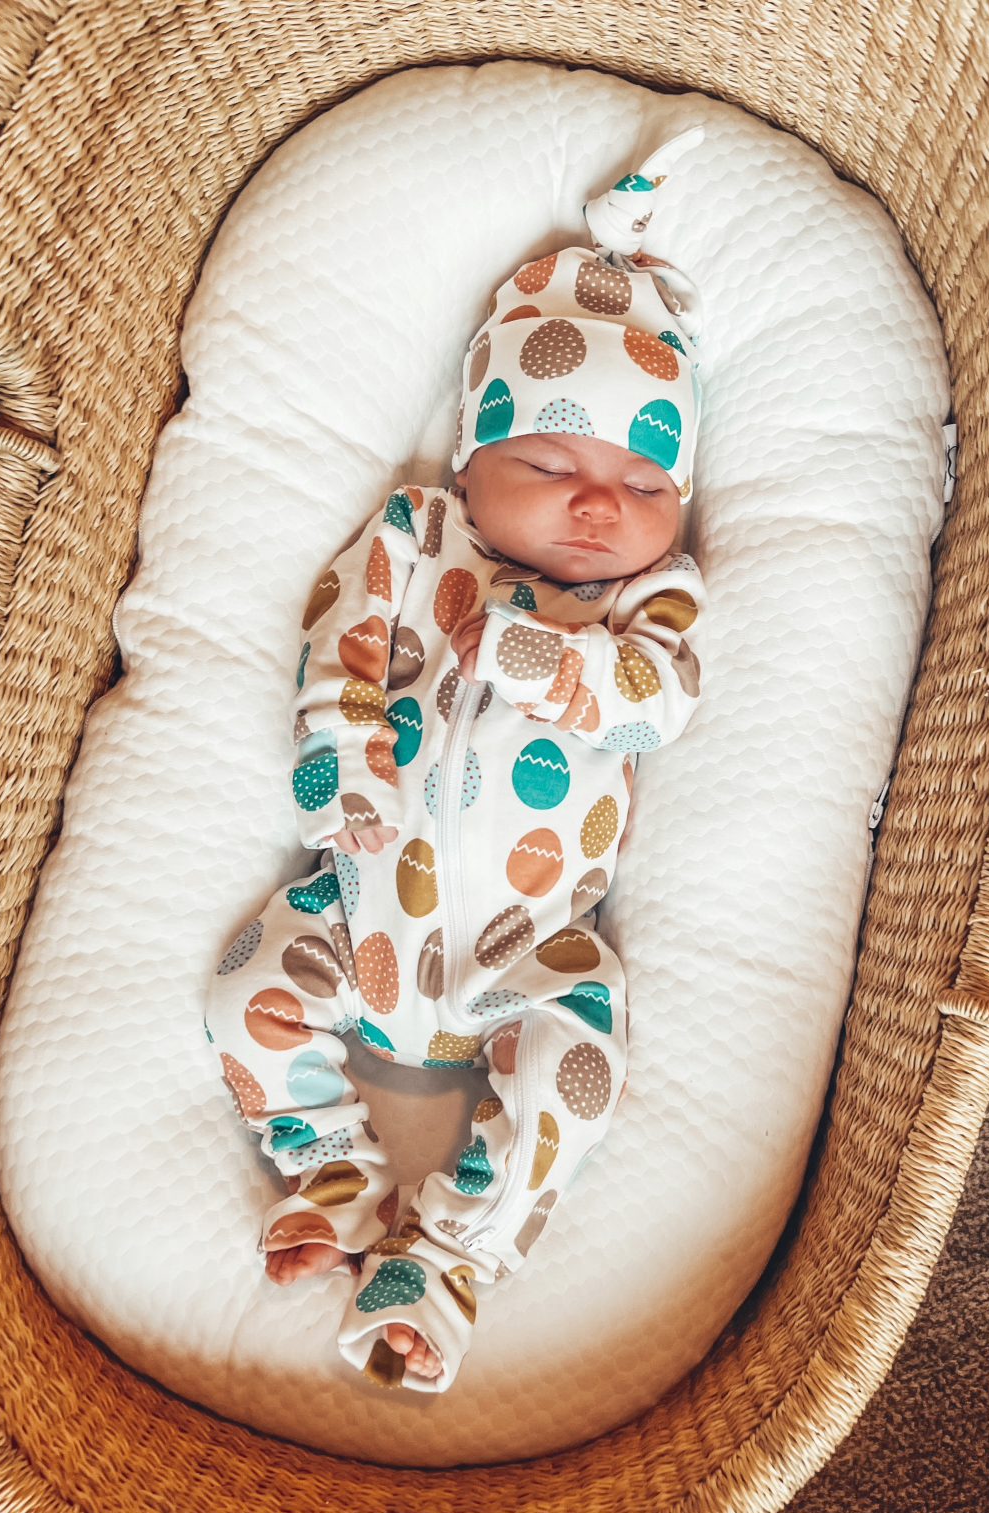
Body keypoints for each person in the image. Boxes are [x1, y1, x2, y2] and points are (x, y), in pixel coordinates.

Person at [205, 132, 708, 1392]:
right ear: (474, 464)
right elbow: (337, 639)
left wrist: (547, 660)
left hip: (529, 950)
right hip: (356, 906)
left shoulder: (646, 602)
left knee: (581, 1059)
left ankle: (449, 1255)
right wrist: (343, 761)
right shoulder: (419, 536)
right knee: (243, 987)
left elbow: (656, 703)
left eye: (646, 482)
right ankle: (329, 1167)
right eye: (549, 462)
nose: (599, 502)